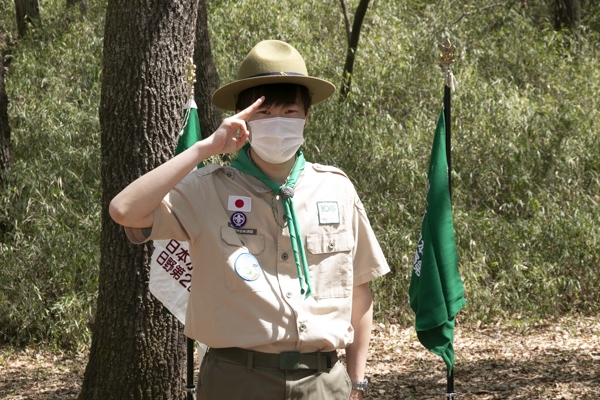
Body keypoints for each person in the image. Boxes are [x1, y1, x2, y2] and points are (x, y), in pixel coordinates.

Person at [110, 39, 390, 400]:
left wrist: (357, 380)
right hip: (236, 381)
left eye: (290, 112)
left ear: (307, 117)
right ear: (242, 119)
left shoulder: (336, 189)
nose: (279, 123)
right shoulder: (208, 190)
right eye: (264, 113)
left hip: (323, 384)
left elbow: (359, 291)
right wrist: (205, 148)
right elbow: (125, 210)